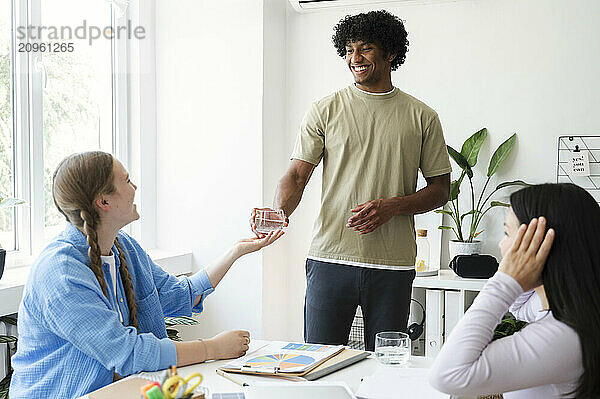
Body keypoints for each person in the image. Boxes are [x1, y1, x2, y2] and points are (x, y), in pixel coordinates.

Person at [251, 10, 451, 351]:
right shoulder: (324, 109)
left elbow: (440, 190)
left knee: (385, 368)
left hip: (393, 265)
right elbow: (297, 175)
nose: (354, 58)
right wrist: (278, 213)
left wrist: (393, 206)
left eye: (365, 48)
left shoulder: (422, 116)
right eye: (349, 49)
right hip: (330, 259)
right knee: (318, 362)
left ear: (390, 52)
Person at [10, 151, 284, 398]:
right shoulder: (61, 273)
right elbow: (128, 353)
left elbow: (177, 296)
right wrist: (211, 348)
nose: (135, 187)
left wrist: (236, 251)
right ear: (104, 201)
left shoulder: (124, 247)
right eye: (127, 180)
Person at [430, 183, 600, 398]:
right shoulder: (573, 307)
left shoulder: (563, 336)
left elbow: (447, 376)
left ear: (539, 246)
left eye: (506, 233)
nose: (501, 245)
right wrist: (518, 277)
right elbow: (519, 308)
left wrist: (505, 281)